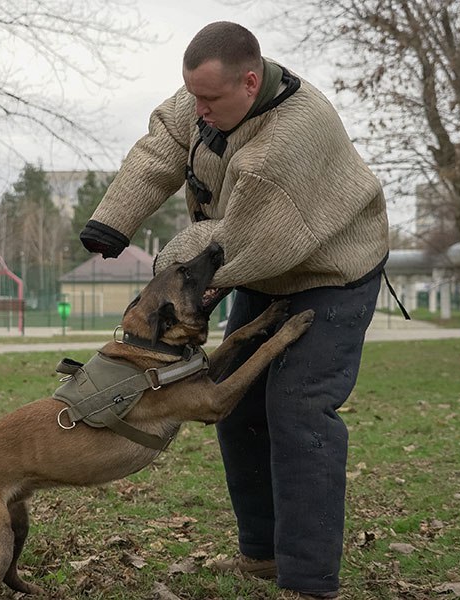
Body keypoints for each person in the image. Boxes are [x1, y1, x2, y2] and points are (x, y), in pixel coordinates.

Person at [79, 21, 389, 600]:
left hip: (330, 271)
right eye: (193, 95)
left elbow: (237, 242)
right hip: (264, 269)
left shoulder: (289, 140)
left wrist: (161, 280)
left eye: (210, 100)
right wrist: (113, 219)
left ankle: (308, 580)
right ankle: (262, 557)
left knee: (299, 410)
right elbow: (162, 146)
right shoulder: (207, 96)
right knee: (237, 403)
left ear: (250, 82)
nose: (197, 110)